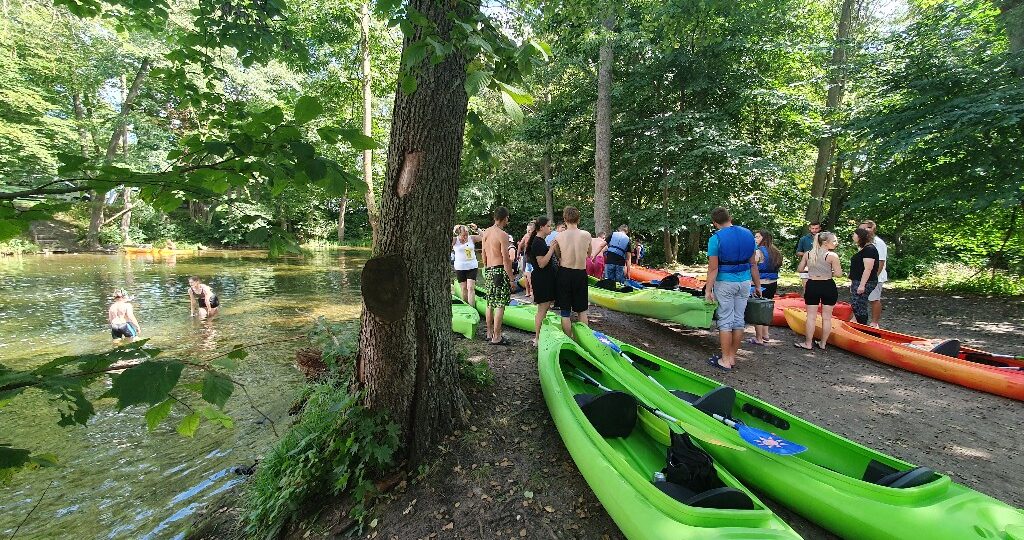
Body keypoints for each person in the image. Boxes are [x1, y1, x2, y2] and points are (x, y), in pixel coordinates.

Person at [705, 207, 761, 371]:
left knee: (725, 321)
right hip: (745, 282)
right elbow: (753, 264)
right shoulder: (748, 234)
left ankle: (725, 360)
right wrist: (757, 285)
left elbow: (713, 268)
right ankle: (732, 357)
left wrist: (708, 290)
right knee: (738, 320)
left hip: (725, 283)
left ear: (715, 223)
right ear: (730, 218)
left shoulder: (716, 239)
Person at [794, 232, 843, 351]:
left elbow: (800, 269)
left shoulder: (808, 254)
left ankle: (808, 343)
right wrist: (827, 270)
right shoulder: (832, 256)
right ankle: (823, 344)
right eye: (834, 241)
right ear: (826, 243)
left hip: (812, 285)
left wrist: (812, 268)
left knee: (811, 317)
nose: (836, 243)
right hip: (828, 285)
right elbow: (839, 274)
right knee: (827, 317)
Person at [550, 206, 593, 339]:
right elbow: (589, 254)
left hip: (564, 274)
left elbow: (557, 254)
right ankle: (585, 340)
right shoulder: (586, 235)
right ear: (578, 219)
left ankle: (569, 339)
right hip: (580, 273)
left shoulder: (559, 236)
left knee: (565, 312)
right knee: (582, 310)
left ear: (564, 219)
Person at [480, 207, 515, 345]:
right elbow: (506, 259)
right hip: (500, 271)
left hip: (489, 270)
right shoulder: (503, 235)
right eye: (507, 218)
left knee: (490, 303)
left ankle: (489, 333)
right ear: (504, 217)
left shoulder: (486, 233)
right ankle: (497, 337)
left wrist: (487, 268)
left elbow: (483, 254)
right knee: (500, 305)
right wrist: (512, 279)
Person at [525, 216, 558, 347]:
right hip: (542, 279)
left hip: (545, 279)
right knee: (542, 310)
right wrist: (551, 249)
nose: (551, 228)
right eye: (549, 226)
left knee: (543, 309)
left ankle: (539, 337)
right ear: (542, 227)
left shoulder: (540, 241)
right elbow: (542, 263)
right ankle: (537, 339)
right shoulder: (538, 242)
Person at [750, 229, 783, 345]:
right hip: (772, 284)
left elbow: (752, 267)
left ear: (764, 238)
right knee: (766, 308)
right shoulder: (776, 252)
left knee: (757, 310)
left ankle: (758, 338)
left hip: (760, 284)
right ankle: (766, 334)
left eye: (757, 237)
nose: (755, 239)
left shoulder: (758, 252)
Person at [860, 220, 887, 328]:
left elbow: (880, 262)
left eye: (866, 228)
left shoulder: (878, 243)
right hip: (863, 277)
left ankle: (875, 323)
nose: (863, 230)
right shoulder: (863, 242)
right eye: (861, 228)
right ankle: (859, 321)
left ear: (872, 229)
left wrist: (873, 278)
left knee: (874, 299)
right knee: (860, 299)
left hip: (875, 277)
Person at [849, 228, 879, 325]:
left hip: (866, 281)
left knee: (859, 304)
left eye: (854, 234)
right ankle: (861, 324)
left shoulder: (869, 249)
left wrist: (862, 285)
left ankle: (863, 326)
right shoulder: (864, 249)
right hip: (858, 280)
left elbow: (868, 268)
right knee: (856, 304)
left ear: (859, 236)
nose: (853, 236)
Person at [452, 224, 482, 306]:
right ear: (458, 234)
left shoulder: (471, 238)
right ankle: (466, 306)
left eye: (467, 234)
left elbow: (484, 237)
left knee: (470, 287)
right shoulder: (455, 240)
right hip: (460, 267)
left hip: (472, 266)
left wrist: (477, 229)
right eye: (463, 235)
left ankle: (472, 307)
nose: (465, 237)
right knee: (464, 288)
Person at [517, 222, 536, 297]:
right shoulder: (526, 236)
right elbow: (520, 245)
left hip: (530, 257)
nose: (528, 232)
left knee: (529, 275)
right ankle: (529, 291)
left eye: (530, 230)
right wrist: (518, 255)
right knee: (527, 275)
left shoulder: (534, 237)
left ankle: (530, 291)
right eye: (527, 230)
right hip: (527, 257)